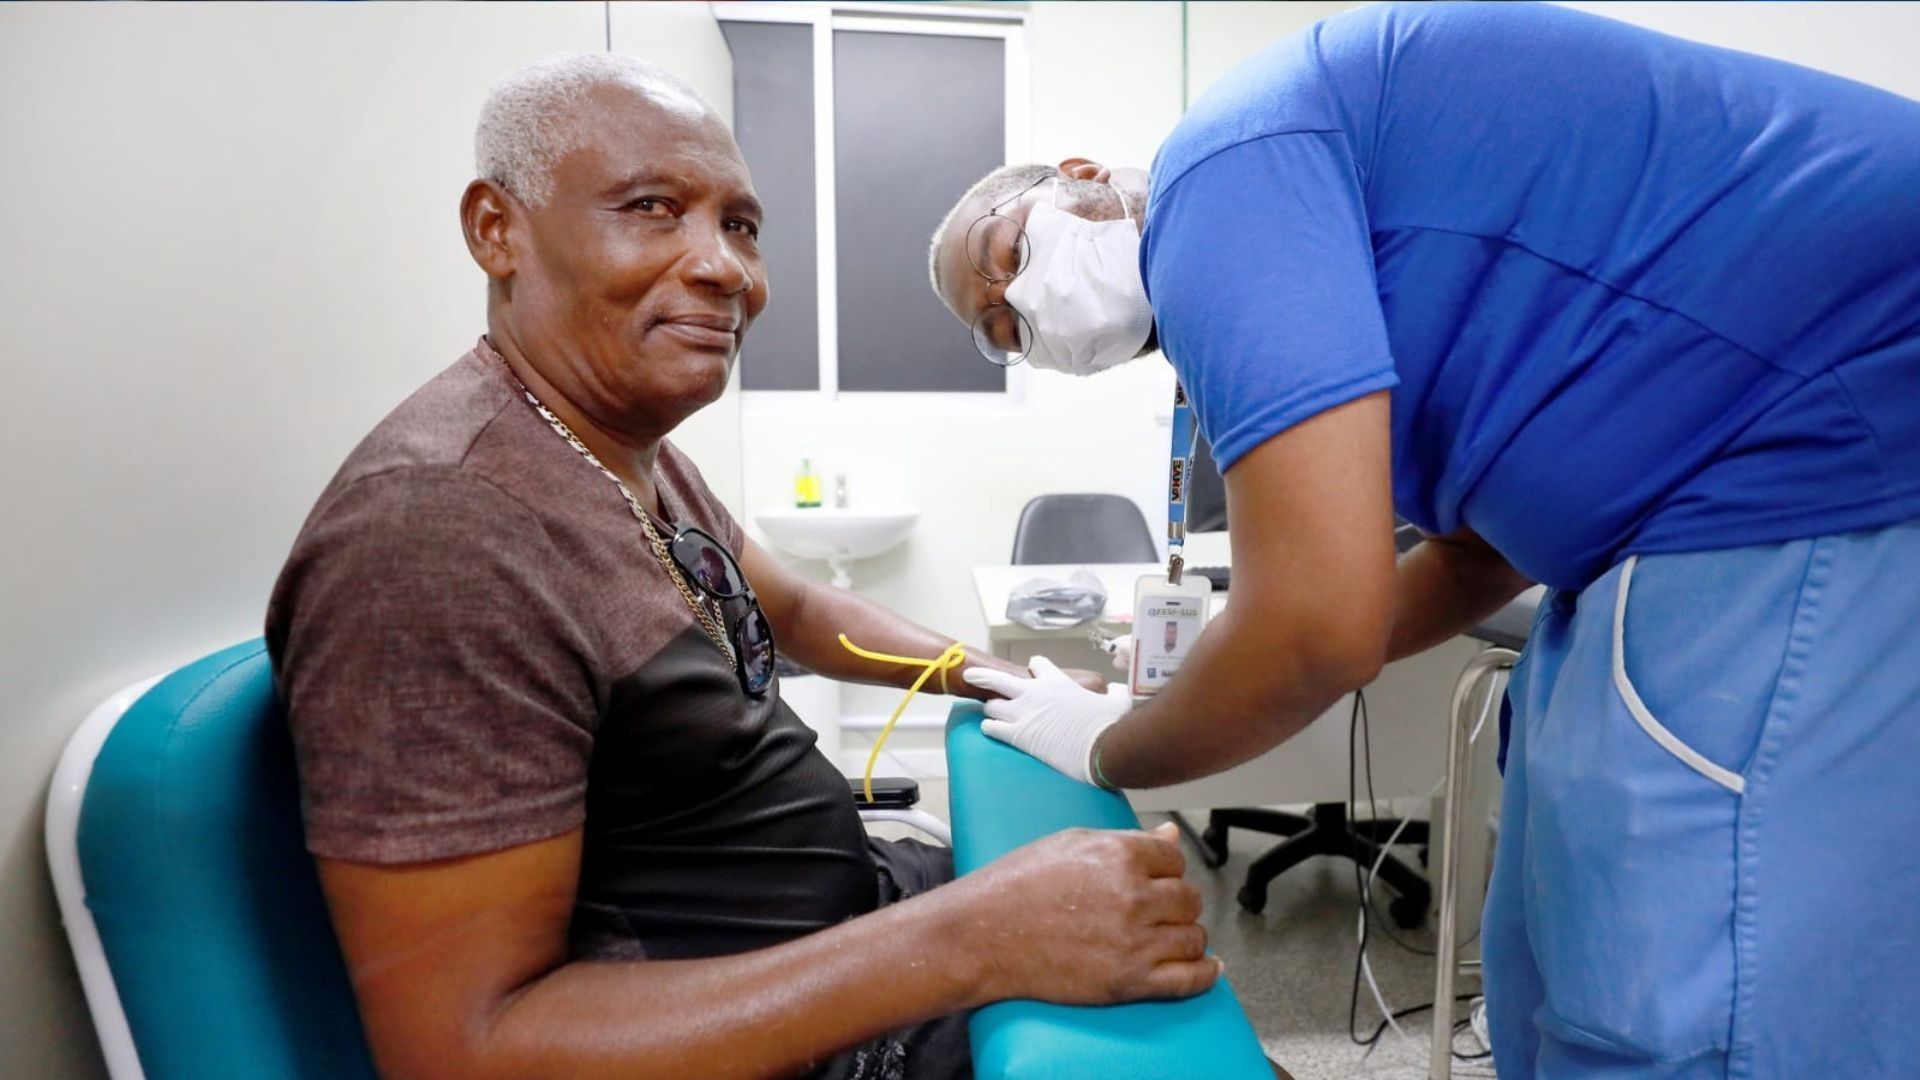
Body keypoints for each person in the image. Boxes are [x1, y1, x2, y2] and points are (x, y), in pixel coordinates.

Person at [932, 3, 1920, 1077]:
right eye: (1006, 332)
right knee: (1548, 967)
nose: (1026, 308)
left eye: (1009, 258)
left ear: (1078, 176)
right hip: (1640, 532)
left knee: (1686, 1007)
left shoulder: (1217, 178)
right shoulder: (1310, 276)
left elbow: (1318, 624)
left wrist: (1111, 740)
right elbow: (1472, 552)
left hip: (1801, 459)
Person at [266, 54, 1220, 1080]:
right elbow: (467, 1048)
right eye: (651, 207)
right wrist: (973, 939)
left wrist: (990, 678)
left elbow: (803, 608)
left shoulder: (619, 450)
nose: (724, 267)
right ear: (498, 230)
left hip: (838, 928)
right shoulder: (440, 532)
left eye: (741, 225)